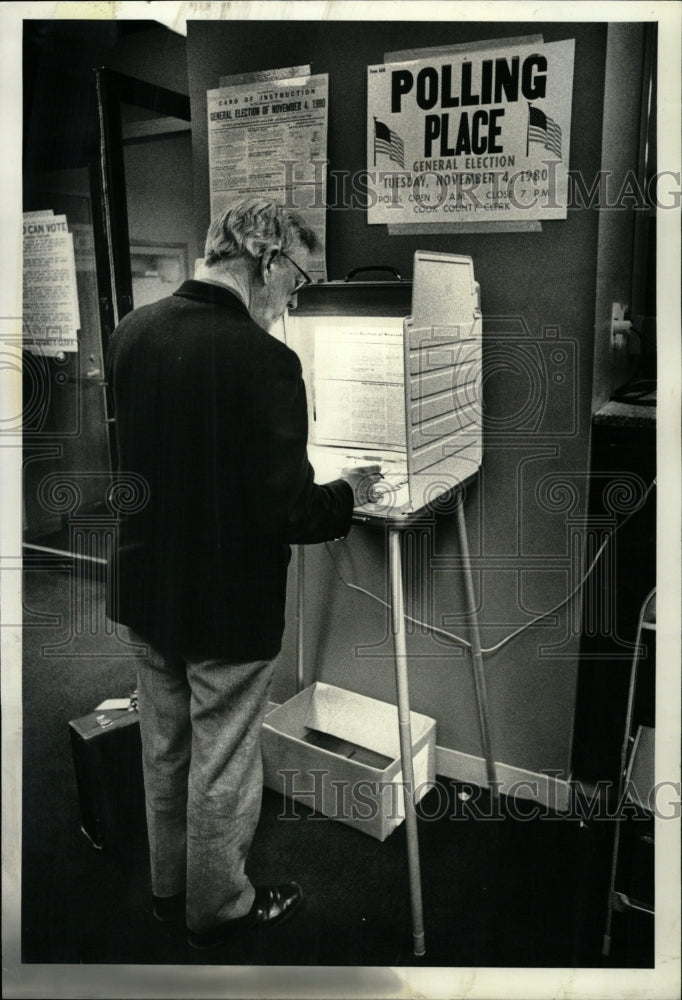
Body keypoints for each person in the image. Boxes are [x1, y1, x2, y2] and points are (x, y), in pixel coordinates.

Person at [106, 198, 378, 950]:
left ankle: (169, 893)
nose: (294, 301)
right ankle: (218, 909)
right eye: (298, 283)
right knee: (222, 761)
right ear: (266, 262)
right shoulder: (268, 361)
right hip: (225, 606)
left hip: (144, 586)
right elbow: (289, 511)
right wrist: (351, 493)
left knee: (163, 747)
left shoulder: (133, 330)